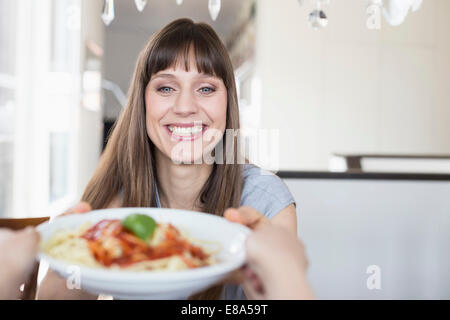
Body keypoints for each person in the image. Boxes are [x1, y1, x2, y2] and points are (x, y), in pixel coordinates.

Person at [38, 18, 297, 300]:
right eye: (166, 88)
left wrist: (266, 285)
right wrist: (65, 259)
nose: (185, 107)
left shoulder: (265, 201)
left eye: (206, 89)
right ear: (143, 101)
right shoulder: (115, 198)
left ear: (228, 102)